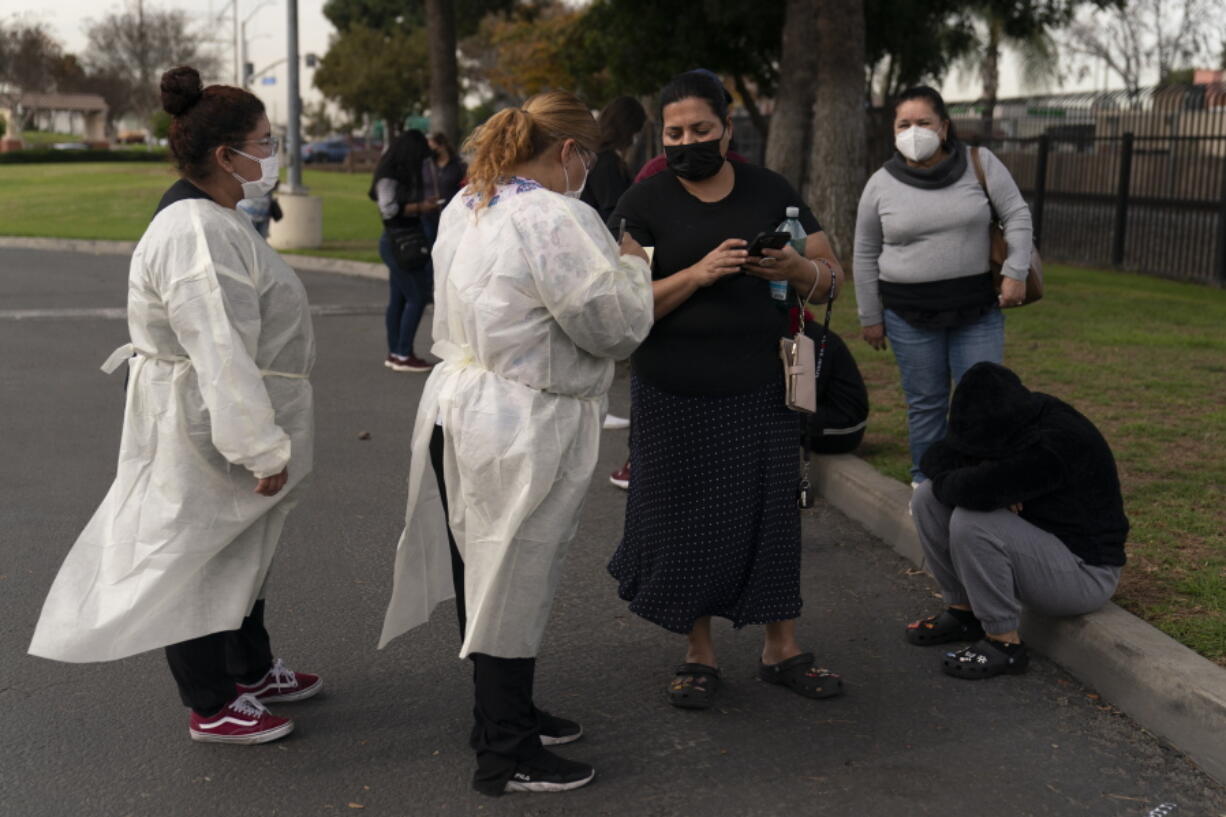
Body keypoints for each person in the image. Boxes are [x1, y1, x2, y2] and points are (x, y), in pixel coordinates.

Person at [28, 66, 320, 745]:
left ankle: (247, 667)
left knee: (242, 542)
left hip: (210, 408)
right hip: (203, 420)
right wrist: (260, 445)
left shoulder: (213, 216)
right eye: (265, 142)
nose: (272, 156)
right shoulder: (196, 232)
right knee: (197, 549)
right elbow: (219, 347)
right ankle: (211, 700)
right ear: (225, 156)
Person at [377, 91, 654, 796]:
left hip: (463, 405)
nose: (588, 169)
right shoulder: (557, 215)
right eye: (587, 156)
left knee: (490, 570)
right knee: (514, 573)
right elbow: (613, 325)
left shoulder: (469, 204)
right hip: (523, 417)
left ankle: (505, 713)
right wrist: (632, 263)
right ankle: (505, 750)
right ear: (568, 151)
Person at [607, 69, 844, 710]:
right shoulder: (645, 201)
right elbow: (628, 305)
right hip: (671, 392)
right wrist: (700, 273)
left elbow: (830, 279)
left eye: (701, 129)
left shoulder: (772, 191)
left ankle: (781, 647)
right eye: (675, 132)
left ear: (727, 128)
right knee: (685, 521)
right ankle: (698, 652)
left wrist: (797, 268)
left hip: (759, 388)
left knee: (769, 518)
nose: (689, 141)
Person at [853, 85, 1033, 484]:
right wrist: (870, 314)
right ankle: (927, 482)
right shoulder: (880, 184)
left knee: (983, 400)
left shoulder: (979, 162)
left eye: (924, 122)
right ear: (893, 131)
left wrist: (1015, 271)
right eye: (904, 124)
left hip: (977, 311)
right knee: (927, 405)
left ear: (944, 127)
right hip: (907, 316)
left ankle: (980, 481)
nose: (914, 131)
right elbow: (864, 251)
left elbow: (1017, 215)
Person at [905, 362, 1128, 679]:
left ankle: (1004, 643)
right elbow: (935, 459)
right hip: (1040, 550)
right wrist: (985, 482)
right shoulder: (1007, 419)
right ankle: (964, 613)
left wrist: (982, 484)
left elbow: (972, 488)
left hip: (1084, 573)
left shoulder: (1058, 440)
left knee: (974, 520)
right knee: (927, 497)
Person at [372, 129, 437, 373]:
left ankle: (396, 352)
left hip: (399, 240)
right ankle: (403, 352)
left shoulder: (395, 172)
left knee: (399, 298)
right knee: (417, 296)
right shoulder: (389, 176)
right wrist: (421, 206)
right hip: (398, 241)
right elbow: (388, 209)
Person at [580, 96, 647, 223]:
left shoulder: (595, 156)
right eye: (635, 133)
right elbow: (614, 212)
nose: (634, 140)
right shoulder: (607, 163)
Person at [422, 131, 468, 241]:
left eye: (432, 147)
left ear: (442, 146)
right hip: (429, 216)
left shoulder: (459, 165)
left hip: (453, 215)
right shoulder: (425, 165)